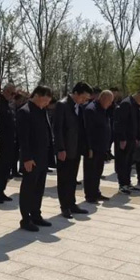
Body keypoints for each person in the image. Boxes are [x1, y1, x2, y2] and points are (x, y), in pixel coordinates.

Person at [17, 86, 54, 231]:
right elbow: (23, 138)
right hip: (31, 158)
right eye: (45, 100)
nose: (47, 103)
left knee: (39, 188)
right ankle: (25, 219)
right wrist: (27, 158)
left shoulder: (42, 110)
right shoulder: (25, 111)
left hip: (42, 157)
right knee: (28, 189)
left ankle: (36, 214)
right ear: (37, 95)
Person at [54, 82, 92, 218]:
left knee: (72, 178)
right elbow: (57, 129)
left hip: (76, 149)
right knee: (64, 179)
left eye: (86, 99)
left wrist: (87, 147)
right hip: (65, 149)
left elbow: (82, 129)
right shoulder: (62, 105)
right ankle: (64, 206)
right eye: (83, 97)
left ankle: (71, 203)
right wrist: (60, 148)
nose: (84, 101)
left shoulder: (79, 107)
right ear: (75, 93)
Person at [113, 90, 140, 194]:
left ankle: (127, 183)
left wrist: (137, 137)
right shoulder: (126, 103)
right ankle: (122, 185)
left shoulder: (136, 105)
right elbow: (120, 123)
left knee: (129, 162)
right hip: (125, 139)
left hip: (132, 139)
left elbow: (137, 122)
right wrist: (122, 139)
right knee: (123, 162)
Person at [83, 89, 113, 203]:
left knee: (98, 171)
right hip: (93, 147)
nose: (110, 104)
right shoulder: (91, 109)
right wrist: (89, 147)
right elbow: (88, 131)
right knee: (91, 172)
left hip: (101, 147)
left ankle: (96, 192)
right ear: (103, 98)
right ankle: (90, 195)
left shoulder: (102, 109)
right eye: (109, 101)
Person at [0, 82, 17, 203]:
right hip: (0, 143)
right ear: (5, 91)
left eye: (14, 94)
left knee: (6, 169)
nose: (13, 96)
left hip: (9, 143)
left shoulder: (9, 104)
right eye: (12, 93)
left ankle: (1, 191)